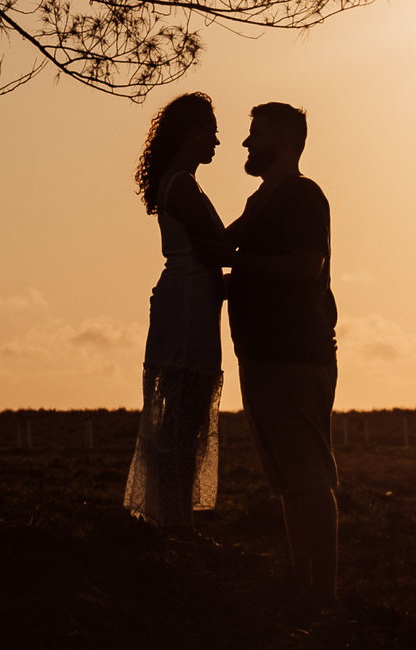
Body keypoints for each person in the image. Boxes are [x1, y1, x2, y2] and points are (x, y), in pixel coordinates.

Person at [225, 101, 339, 609]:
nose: (246, 143)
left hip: (295, 355)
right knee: (290, 481)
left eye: (256, 133)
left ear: (286, 141)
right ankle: (303, 584)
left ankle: (323, 592)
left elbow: (305, 267)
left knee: (308, 476)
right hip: (263, 357)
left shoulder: (301, 196)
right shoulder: (260, 201)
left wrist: (238, 265)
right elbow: (226, 257)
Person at [124, 92, 227, 524]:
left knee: (185, 418)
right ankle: (175, 523)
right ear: (194, 131)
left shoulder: (180, 180)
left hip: (189, 299)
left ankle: (175, 521)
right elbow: (219, 245)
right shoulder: (182, 183)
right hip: (186, 304)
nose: (218, 143)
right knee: (184, 419)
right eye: (213, 132)